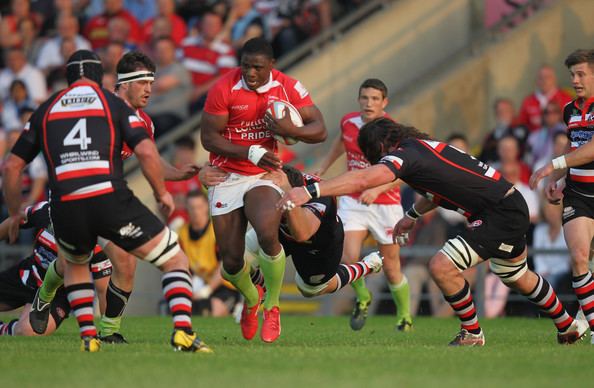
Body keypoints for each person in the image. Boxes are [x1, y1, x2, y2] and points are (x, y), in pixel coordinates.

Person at [280, 117, 587, 346]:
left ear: (383, 144)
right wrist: (411, 215)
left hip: (498, 212)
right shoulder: (422, 149)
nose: (376, 160)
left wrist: (312, 190)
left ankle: (472, 333)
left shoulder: (405, 154)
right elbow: (440, 189)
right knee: (517, 276)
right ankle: (567, 325)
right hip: (504, 206)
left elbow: (363, 180)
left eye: (374, 153)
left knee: (441, 265)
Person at [2, 49, 211, 353]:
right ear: (120, 83)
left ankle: (103, 334)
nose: (149, 89)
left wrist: (177, 175)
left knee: (118, 263)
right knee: (87, 265)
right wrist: (160, 193)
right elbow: (147, 155)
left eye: (152, 83)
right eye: (142, 82)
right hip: (94, 201)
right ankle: (52, 297)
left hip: (73, 204)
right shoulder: (112, 108)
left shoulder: (57, 108)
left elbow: (149, 160)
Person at [200, 37, 326, 343]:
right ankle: (252, 297)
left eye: (257, 67)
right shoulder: (223, 88)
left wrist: (292, 132)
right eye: (245, 66)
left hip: (264, 175)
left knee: (268, 233)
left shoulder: (288, 87)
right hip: (227, 175)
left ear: (272, 66)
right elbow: (208, 138)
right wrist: (248, 151)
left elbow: (319, 128)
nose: (250, 72)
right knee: (230, 264)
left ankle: (272, 306)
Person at [315, 78, 411, 332]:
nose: (369, 103)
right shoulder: (349, 122)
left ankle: (404, 316)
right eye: (365, 98)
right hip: (353, 200)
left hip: (386, 205)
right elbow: (341, 143)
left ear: (384, 102)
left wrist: (377, 188)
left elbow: (403, 172)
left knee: (391, 267)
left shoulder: (392, 132)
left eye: (375, 99)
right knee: (347, 257)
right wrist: (322, 167)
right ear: (359, 99)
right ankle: (362, 297)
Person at [530, 49, 594, 344]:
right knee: (579, 257)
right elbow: (574, 150)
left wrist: (552, 166)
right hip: (579, 193)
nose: (575, 80)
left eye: (581, 74)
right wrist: (557, 179)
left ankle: (581, 319)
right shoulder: (569, 109)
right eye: (572, 75)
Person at [0, 202, 111, 336]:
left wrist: (107, 332)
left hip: (59, 293)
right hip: (28, 273)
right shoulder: (45, 211)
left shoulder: (98, 240)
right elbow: (17, 219)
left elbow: (103, 290)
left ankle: (5, 330)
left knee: (28, 331)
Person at [177, 190, 239, 317]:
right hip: (199, 282)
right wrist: (190, 284)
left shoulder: (218, 230)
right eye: (192, 208)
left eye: (199, 207)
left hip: (224, 285)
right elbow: (180, 264)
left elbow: (225, 265)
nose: (196, 212)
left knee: (211, 310)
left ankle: (237, 306)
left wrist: (207, 290)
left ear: (206, 207)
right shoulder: (182, 233)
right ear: (187, 209)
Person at [516, 65, 572, 133]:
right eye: (540, 77)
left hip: (560, 139)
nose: (544, 80)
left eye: (547, 77)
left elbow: (572, 123)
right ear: (536, 80)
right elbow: (521, 126)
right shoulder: (528, 101)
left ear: (554, 79)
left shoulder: (565, 98)